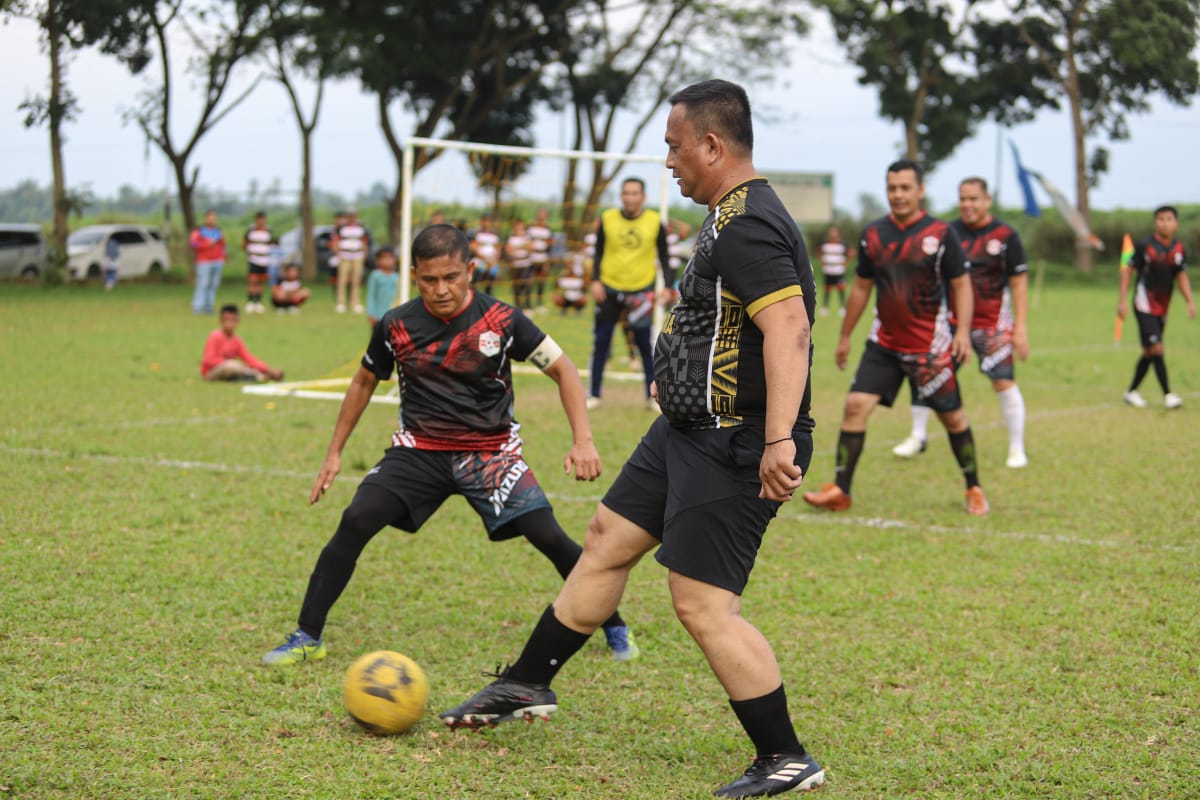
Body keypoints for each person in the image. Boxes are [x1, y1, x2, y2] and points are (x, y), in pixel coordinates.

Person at [440, 80, 826, 798]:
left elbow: (792, 329)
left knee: (699, 604)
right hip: (684, 430)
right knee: (607, 538)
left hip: (737, 439)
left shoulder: (749, 224)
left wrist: (778, 440)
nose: (668, 161)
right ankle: (527, 684)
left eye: (676, 147)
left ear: (713, 145)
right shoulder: (724, 214)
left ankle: (787, 756)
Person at [263, 224, 639, 667]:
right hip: (419, 451)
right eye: (429, 279)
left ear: (471, 271)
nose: (441, 290)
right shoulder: (396, 325)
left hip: (491, 454)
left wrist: (584, 440)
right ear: (414, 274)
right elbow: (365, 380)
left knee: (548, 536)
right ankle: (308, 635)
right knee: (357, 517)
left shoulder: (503, 320)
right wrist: (333, 452)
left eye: (452, 277)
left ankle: (612, 622)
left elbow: (565, 370)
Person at [803, 159, 989, 516]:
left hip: (929, 347)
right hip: (884, 343)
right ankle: (840, 490)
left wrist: (962, 331)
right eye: (892, 188)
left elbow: (961, 285)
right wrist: (844, 337)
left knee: (953, 419)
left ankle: (974, 487)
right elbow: (860, 287)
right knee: (855, 406)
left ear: (920, 191)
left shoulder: (941, 234)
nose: (898, 195)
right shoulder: (873, 234)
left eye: (905, 188)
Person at [893, 177, 1031, 468]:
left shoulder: (1007, 236)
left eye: (974, 199)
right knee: (926, 374)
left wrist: (1020, 328)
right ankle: (917, 436)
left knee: (1003, 382)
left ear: (987, 200)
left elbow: (1018, 283)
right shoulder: (947, 232)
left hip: (992, 325)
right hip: (950, 323)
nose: (967, 205)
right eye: (963, 199)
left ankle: (1017, 448)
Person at [587, 177, 675, 410]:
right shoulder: (607, 219)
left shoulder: (655, 221)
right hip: (609, 289)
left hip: (641, 291)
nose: (630, 197)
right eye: (626, 193)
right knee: (601, 343)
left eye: (635, 193)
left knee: (645, 345)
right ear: (621, 196)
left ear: (643, 197)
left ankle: (651, 396)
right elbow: (597, 252)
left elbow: (665, 257)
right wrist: (595, 281)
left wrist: (667, 286)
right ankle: (594, 394)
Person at [1118, 205, 1196, 409]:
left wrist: (1189, 300)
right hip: (1143, 304)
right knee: (1157, 347)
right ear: (1155, 223)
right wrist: (1122, 300)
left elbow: (1181, 275)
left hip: (1163, 307)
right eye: (1161, 219)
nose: (1165, 223)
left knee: (1149, 352)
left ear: (1176, 224)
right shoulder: (1145, 246)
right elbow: (1127, 270)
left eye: (1169, 219)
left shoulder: (1178, 249)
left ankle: (1131, 391)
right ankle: (1168, 395)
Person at [200, 304, 284, 382]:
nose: (229, 324)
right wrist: (229, 363)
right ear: (221, 321)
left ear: (237, 321)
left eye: (232, 320)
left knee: (237, 367)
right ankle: (258, 377)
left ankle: (267, 374)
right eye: (227, 320)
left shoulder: (236, 340)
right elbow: (208, 360)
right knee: (232, 366)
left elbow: (248, 358)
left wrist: (267, 369)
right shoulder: (215, 336)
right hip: (211, 372)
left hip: (234, 369)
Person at [333, 207, 370, 314]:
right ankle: (340, 303)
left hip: (357, 255)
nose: (352, 217)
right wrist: (337, 252)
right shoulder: (342, 227)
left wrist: (364, 252)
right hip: (344, 255)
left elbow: (364, 241)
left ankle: (355, 303)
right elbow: (336, 240)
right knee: (342, 279)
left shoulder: (361, 227)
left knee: (356, 280)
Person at [189, 209, 226, 315]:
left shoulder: (218, 231)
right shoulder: (199, 231)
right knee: (202, 284)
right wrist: (205, 245)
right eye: (210, 217)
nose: (213, 220)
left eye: (214, 218)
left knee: (213, 284)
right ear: (206, 218)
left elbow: (223, 245)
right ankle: (197, 307)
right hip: (204, 262)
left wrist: (222, 256)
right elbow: (193, 244)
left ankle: (209, 306)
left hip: (217, 261)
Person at [243, 211, 276, 313]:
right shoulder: (251, 230)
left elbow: (270, 243)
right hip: (254, 259)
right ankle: (250, 301)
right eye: (259, 219)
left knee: (260, 281)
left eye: (263, 219)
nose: (261, 221)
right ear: (256, 220)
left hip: (264, 260)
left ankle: (258, 302)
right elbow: (245, 243)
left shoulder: (268, 230)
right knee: (252, 280)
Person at [528, 208, 555, 308]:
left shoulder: (548, 229)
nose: (542, 216)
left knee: (541, 281)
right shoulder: (531, 228)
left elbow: (550, 246)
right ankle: (528, 304)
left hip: (542, 257)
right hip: (531, 257)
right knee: (529, 281)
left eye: (544, 214)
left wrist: (547, 262)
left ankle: (539, 304)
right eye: (540, 214)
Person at [365, 245, 399, 326]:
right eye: (384, 258)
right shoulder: (375, 276)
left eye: (390, 257)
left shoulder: (398, 277)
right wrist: (371, 313)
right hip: (378, 316)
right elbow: (371, 295)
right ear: (378, 260)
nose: (387, 260)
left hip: (394, 316)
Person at [818, 225, 848, 316]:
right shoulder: (825, 244)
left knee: (841, 289)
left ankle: (842, 308)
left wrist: (845, 263)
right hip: (828, 271)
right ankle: (825, 307)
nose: (833, 234)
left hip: (839, 271)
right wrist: (822, 262)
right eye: (832, 232)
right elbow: (818, 252)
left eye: (835, 232)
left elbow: (851, 252)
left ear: (838, 233)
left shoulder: (842, 244)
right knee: (827, 289)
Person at [505, 218, 534, 310]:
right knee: (516, 287)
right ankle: (518, 306)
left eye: (520, 225)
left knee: (526, 285)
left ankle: (528, 306)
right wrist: (522, 246)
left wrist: (516, 247)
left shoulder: (527, 236)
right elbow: (508, 250)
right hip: (515, 264)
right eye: (516, 225)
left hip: (525, 263)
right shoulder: (511, 237)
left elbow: (530, 247)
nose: (518, 227)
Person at [553, 242, 588, 315]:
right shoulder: (562, 275)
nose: (569, 265)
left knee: (582, 299)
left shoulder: (579, 275)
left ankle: (579, 309)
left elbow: (584, 288)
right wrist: (556, 295)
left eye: (571, 263)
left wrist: (583, 296)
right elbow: (555, 287)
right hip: (566, 297)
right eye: (568, 263)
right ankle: (564, 308)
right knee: (559, 299)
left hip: (576, 297)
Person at [471, 214, 501, 295]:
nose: (486, 222)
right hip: (480, 262)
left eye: (488, 220)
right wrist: (484, 259)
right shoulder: (476, 233)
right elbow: (473, 247)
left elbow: (498, 249)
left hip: (492, 262)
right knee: (475, 284)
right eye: (484, 220)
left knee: (490, 285)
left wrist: (494, 260)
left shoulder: (495, 234)